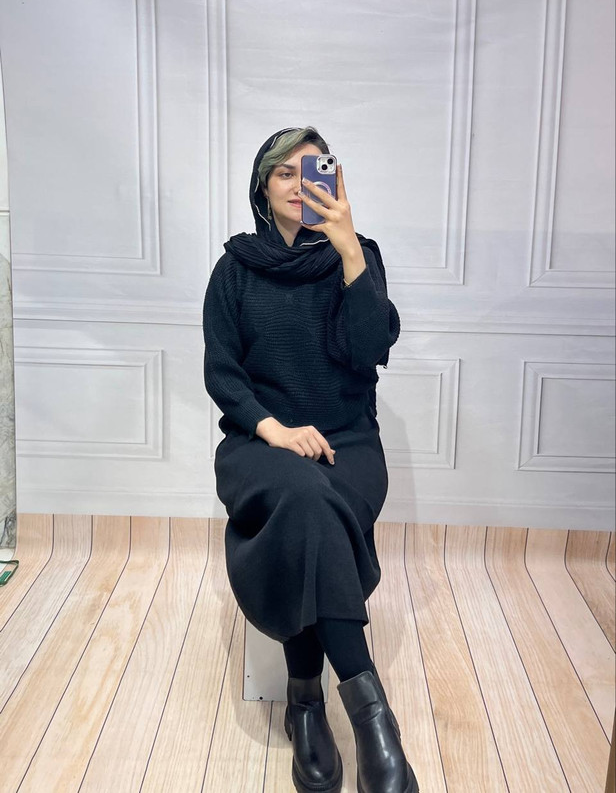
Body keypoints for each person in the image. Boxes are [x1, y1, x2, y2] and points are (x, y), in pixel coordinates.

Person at [203, 127, 419, 793]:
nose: (300, 186)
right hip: (261, 444)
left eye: (313, 171)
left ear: (334, 179)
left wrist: (349, 247)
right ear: (263, 186)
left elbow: (370, 349)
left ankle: (305, 701)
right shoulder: (235, 270)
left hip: (348, 442)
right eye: (285, 173)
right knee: (301, 495)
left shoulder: (358, 255)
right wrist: (275, 430)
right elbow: (222, 374)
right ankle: (372, 718)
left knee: (311, 506)